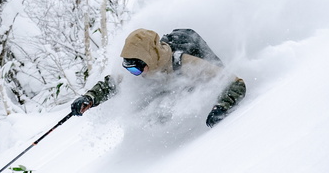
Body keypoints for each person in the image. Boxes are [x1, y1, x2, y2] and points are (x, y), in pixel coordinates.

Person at [70, 28, 247, 127]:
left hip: (189, 86)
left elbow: (236, 83)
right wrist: (90, 98)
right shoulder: (141, 67)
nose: (134, 74)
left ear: (149, 58)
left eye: (136, 69)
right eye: (129, 69)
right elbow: (112, 84)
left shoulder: (185, 64)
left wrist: (221, 107)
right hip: (167, 89)